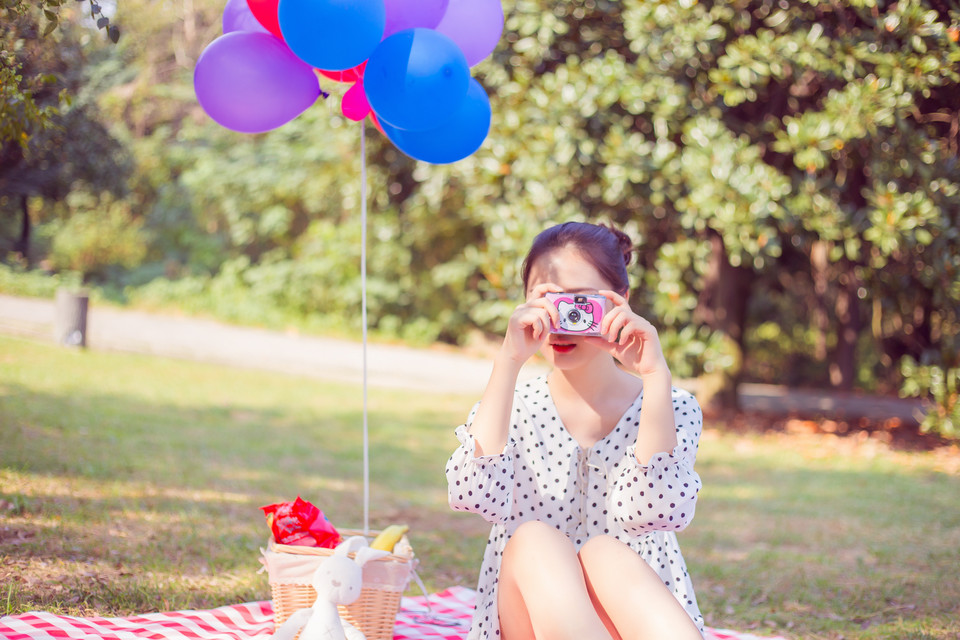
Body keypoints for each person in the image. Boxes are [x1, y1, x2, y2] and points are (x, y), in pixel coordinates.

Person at [445, 221, 705, 640]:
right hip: (526, 614)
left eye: (581, 302)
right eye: (547, 299)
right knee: (534, 540)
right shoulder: (512, 404)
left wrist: (656, 374)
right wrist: (508, 361)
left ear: (622, 301)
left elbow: (654, 514)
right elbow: (472, 497)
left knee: (606, 552)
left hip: (627, 617)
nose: (565, 320)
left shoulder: (673, 406)